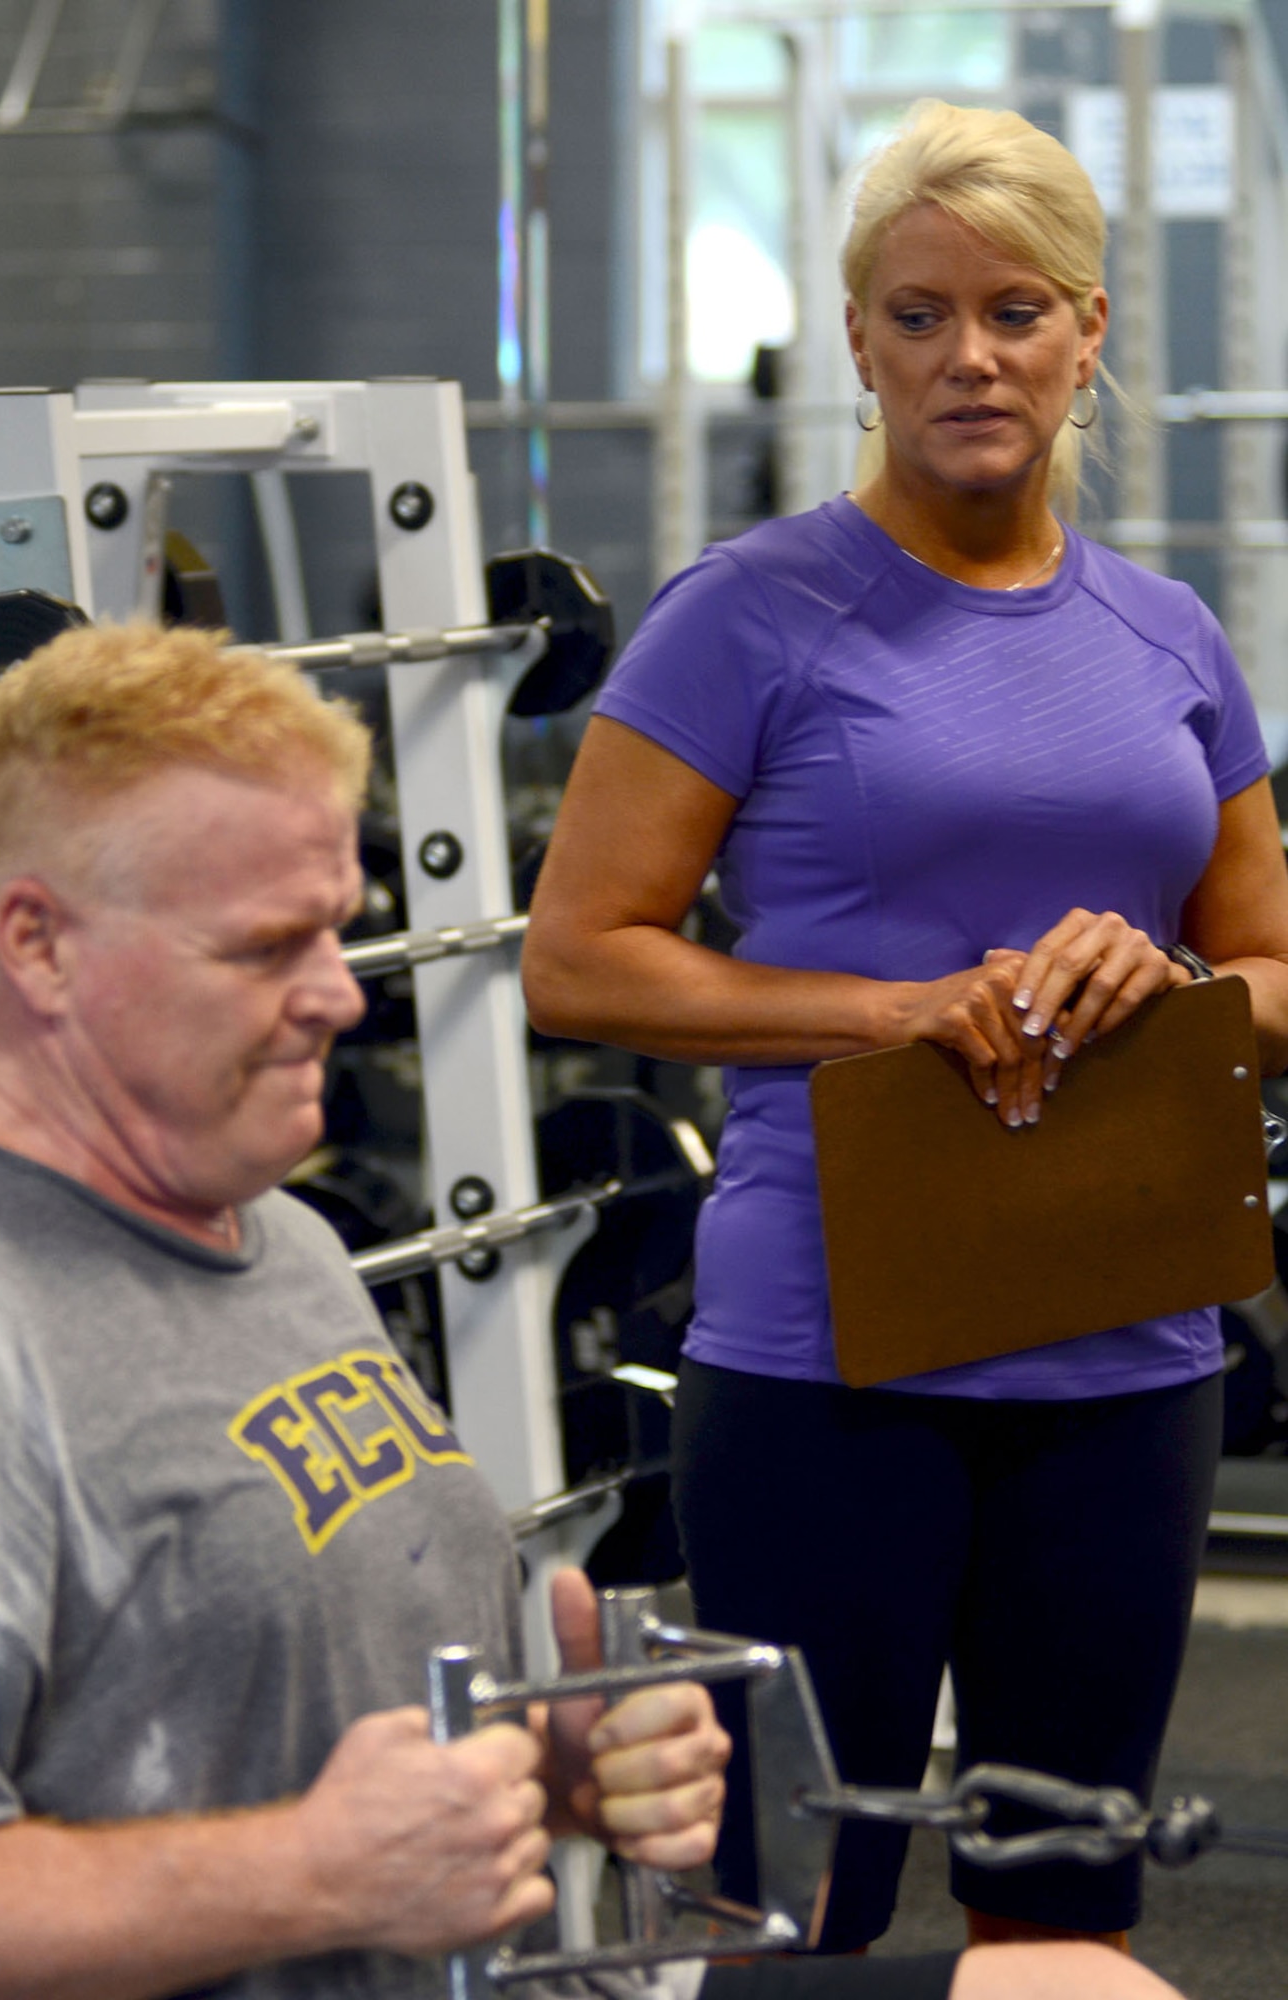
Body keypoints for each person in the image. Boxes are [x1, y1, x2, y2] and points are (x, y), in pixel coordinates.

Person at [0, 618, 1189, 2000]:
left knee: (1075, 1982)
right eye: (262, 949)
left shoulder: (278, 1239)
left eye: (336, 935)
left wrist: (563, 1766)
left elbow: (360, 1743)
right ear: (38, 949)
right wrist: (310, 1869)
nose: (334, 1000)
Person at [521, 97, 1288, 1964]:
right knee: (802, 1904)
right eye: (920, 313)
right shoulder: (749, 616)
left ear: (1087, 333)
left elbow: (1270, 966)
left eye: (1015, 310)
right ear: (859, 338)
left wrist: (1175, 991)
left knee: (1064, 1895)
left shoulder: (1168, 634)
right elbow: (581, 960)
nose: (970, 356)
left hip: (1124, 1350)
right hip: (825, 1355)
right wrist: (894, 1008)